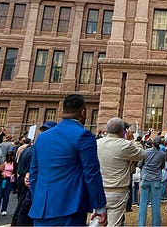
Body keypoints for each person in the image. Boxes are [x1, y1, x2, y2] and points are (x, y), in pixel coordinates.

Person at [28, 94, 107, 226]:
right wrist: (100, 206)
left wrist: (38, 199)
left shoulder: (42, 137)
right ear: (83, 112)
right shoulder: (83, 135)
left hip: (41, 208)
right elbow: (91, 173)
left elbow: (34, 173)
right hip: (69, 207)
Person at [96, 117, 146, 226]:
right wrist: (133, 140)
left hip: (99, 189)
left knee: (98, 222)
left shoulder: (97, 143)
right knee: (113, 224)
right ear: (122, 131)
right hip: (117, 191)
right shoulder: (125, 145)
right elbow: (142, 154)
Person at [13, 122, 56, 227]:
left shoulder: (26, 150)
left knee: (22, 208)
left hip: (25, 181)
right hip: (33, 185)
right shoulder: (41, 150)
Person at [138, 137, 166, 227]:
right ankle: (156, 225)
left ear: (152, 143)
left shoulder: (146, 152)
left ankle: (141, 224)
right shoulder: (162, 154)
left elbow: (139, 165)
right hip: (156, 180)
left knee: (143, 204)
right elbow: (162, 166)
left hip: (146, 178)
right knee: (156, 205)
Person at [0, 151, 17, 216]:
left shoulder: (14, 163)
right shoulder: (3, 163)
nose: (9, 158)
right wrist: (2, 174)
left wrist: (14, 175)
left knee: (6, 195)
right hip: (2, 179)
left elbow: (16, 171)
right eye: (8, 156)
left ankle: (4, 210)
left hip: (10, 180)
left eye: (10, 156)